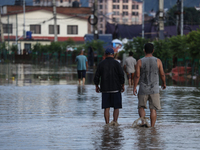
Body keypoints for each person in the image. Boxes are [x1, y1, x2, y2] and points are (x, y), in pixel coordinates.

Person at [133, 43, 166, 127]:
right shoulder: (158, 61)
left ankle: (143, 123)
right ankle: (152, 127)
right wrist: (164, 83)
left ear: (144, 51)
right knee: (153, 109)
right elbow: (162, 74)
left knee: (141, 107)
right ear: (153, 51)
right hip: (154, 89)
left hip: (143, 88)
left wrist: (134, 87)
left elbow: (137, 76)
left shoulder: (140, 61)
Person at [94, 47, 125, 125]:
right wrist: (123, 85)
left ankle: (107, 124)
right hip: (116, 88)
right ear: (113, 55)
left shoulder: (101, 64)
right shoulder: (117, 63)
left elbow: (97, 76)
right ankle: (115, 122)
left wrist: (97, 86)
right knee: (116, 107)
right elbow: (121, 75)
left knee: (106, 108)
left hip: (105, 89)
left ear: (105, 54)